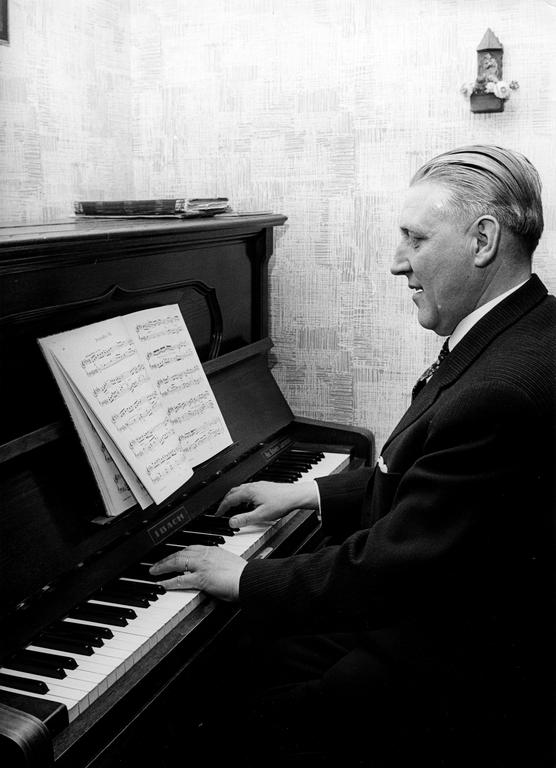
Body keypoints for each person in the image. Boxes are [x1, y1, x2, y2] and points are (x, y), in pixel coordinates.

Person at [150, 145, 555, 767]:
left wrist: (246, 576)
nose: (397, 263)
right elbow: (436, 487)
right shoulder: (528, 326)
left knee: (220, 711)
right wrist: (311, 492)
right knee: (242, 650)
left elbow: (401, 566)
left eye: (414, 239)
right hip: (455, 617)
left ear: (483, 240)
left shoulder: (503, 389)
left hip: (460, 666)